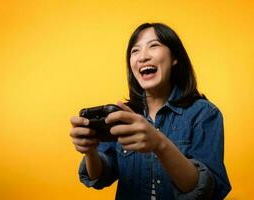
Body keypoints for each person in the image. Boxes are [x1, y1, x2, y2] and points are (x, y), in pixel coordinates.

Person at [70, 22, 231, 200]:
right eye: (135, 51)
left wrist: (160, 144)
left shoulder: (205, 114)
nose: (142, 57)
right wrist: (90, 151)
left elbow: (207, 191)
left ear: (174, 57)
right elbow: (100, 176)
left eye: (153, 46)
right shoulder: (124, 115)